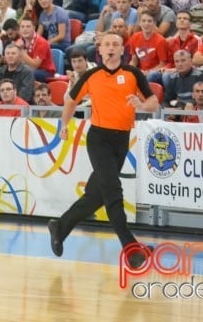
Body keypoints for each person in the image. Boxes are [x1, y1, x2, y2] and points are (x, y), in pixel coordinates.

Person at [48, 33, 158, 268]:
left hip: (122, 140)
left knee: (96, 196)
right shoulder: (91, 75)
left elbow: (154, 102)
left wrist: (142, 105)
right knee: (113, 193)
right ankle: (131, 249)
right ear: (100, 49)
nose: (110, 48)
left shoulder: (132, 74)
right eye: (106, 44)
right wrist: (64, 126)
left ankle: (60, 226)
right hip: (99, 139)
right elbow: (71, 101)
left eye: (115, 44)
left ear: (122, 50)